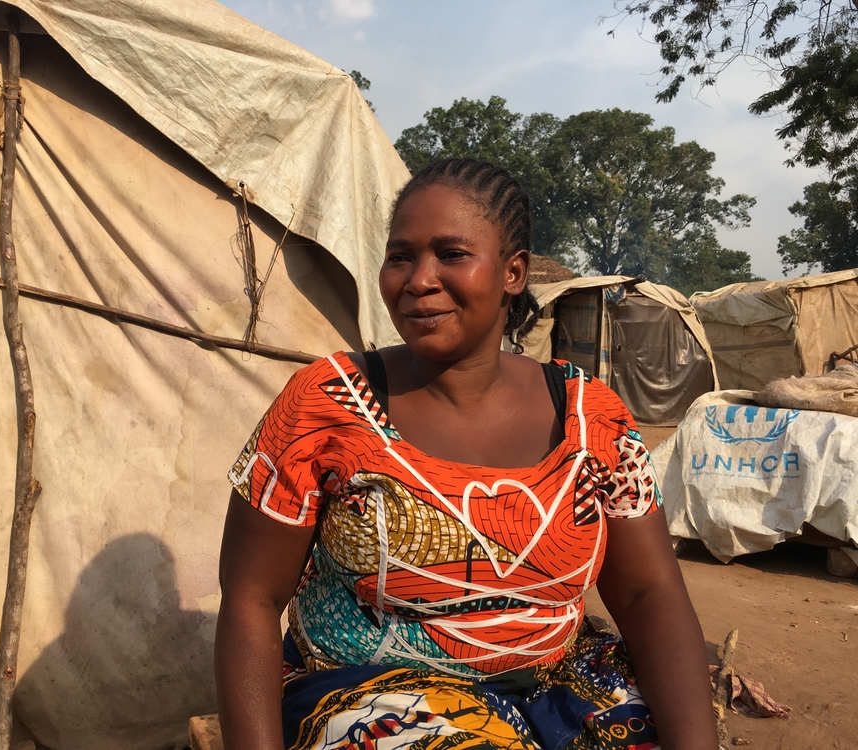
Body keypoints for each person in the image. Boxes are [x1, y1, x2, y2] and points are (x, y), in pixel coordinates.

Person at [216, 158, 718, 750]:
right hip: (369, 696)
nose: (418, 279)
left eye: (451, 254)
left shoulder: (595, 419)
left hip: (561, 691)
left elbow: (647, 594)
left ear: (512, 272)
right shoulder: (326, 403)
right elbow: (251, 598)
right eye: (400, 256)